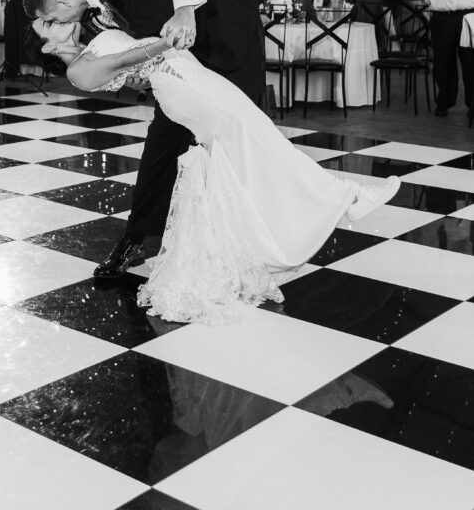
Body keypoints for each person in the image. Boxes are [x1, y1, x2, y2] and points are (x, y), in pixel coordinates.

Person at [28, 20, 400, 323]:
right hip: (187, 87)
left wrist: (152, 56)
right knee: (260, 142)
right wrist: (168, 40)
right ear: (47, 44)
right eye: (48, 22)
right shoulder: (79, 69)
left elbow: (129, 68)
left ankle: (271, 236)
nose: (58, 17)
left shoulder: (89, 46)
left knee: (251, 150)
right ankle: (345, 197)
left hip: (189, 77)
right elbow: (130, 58)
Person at [23, 0, 264, 277]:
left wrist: (184, 8)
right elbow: (134, 49)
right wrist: (140, 77)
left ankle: (248, 240)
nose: (59, 25)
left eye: (52, 19)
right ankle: (137, 239)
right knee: (161, 146)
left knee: (239, 139)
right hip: (183, 64)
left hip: (229, 33)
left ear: (61, 3)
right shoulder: (90, 21)